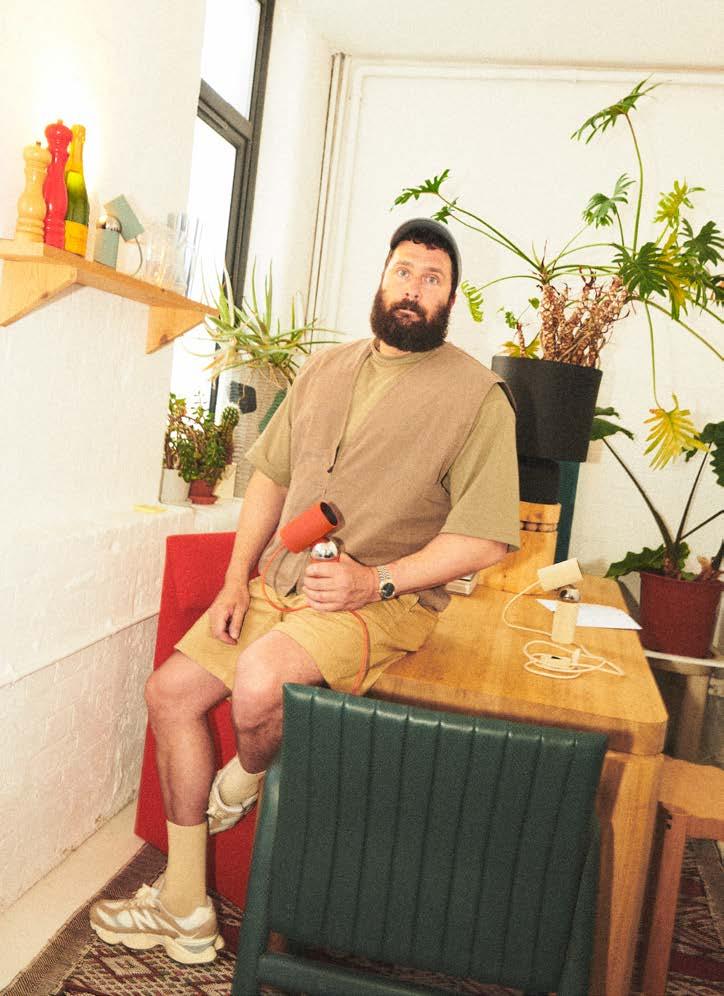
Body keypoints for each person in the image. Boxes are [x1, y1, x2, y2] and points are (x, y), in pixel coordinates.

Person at [89, 218, 520, 963]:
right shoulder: (324, 369)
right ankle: (186, 906)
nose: (414, 289)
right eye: (404, 271)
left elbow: (484, 539)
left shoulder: (478, 397)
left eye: (433, 279)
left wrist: (372, 580)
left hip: (382, 602)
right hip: (281, 584)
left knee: (260, 682)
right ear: (382, 278)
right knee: (170, 694)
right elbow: (271, 477)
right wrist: (235, 578)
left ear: (451, 299)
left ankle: (245, 776)